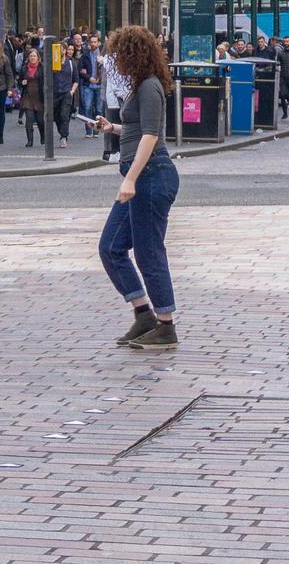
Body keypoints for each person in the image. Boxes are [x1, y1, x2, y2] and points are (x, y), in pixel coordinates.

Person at [92, 25, 180, 351]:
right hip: (140, 174)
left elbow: (150, 136)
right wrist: (111, 126)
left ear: (134, 55)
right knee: (111, 247)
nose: (115, 62)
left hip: (151, 176)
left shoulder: (149, 87)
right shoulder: (140, 87)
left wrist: (130, 179)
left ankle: (166, 325)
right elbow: (135, 127)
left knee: (148, 252)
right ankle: (143, 313)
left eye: (119, 55)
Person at [99, 43, 131, 163]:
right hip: (111, 97)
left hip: (120, 96)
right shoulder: (107, 61)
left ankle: (117, 151)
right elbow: (104, 80)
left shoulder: (121, 60)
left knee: (118, 124)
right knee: (111, 124)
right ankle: (110, 151)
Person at [21, 34, 47, 146]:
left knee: (41, 121)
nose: (32, 58)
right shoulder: (24, 68)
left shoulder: (42, 68)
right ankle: (30, 141)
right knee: (29, 120)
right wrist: (22, 82)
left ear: (38, 57)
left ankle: (43, 137)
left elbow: (46, 81)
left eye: (34, 56)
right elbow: (20, 80)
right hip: (28, 97)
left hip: (39, 96)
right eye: (31, 56)